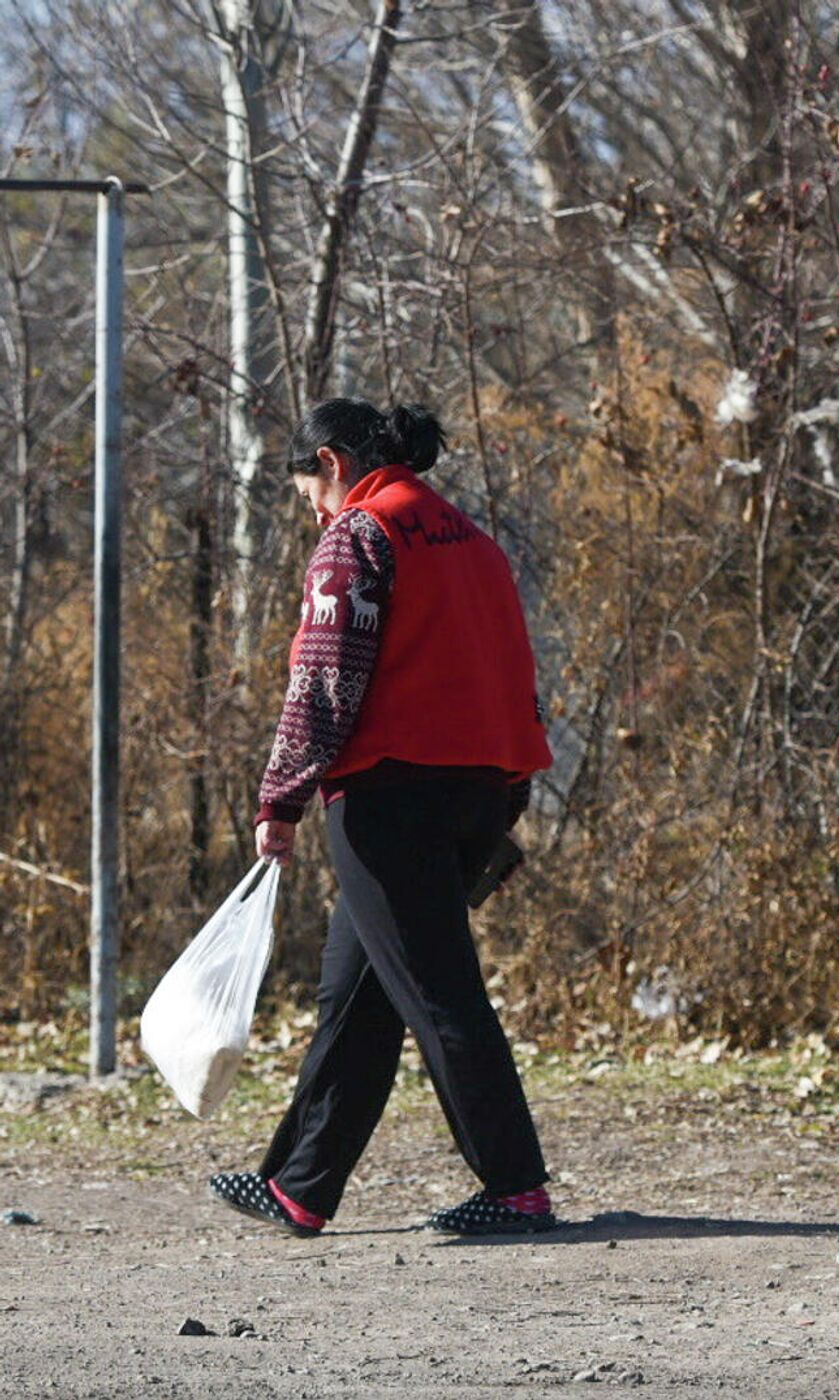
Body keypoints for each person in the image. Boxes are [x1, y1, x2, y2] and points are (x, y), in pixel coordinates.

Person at [209, 398, 557, 1238]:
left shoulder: (360, 534)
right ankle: (301, 1185)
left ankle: (517, 1186)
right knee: (355, 991)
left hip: (389, 795)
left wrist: (281, 799)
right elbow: (514, 673)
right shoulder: (471, 540)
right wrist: (509, 794)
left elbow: (325, 680)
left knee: (440, 994)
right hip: (478, 788)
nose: (316, 514)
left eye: (310, 495)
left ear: (331, 463)